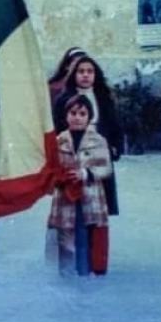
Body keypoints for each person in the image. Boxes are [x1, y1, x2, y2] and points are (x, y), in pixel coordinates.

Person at [47, 95, 112, 277]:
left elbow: (106, 168)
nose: (77, 117)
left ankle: (86, 272)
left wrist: (85, 173)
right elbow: (51, 167)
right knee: (65, 236)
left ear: (89, 117)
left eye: (82, 114)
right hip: (65, 197)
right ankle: (66, 275)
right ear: (66, 116)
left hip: (90, 197)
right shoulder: (58, 140)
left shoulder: (98, 141)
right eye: (73, 113)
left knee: (87, 236)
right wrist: (59, 177)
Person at [53, 55, 123, 216]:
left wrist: (115, 147)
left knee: (98, 199)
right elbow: (58, 127)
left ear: (95, 75)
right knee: (74, 201)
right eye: (81, 71)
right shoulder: (63, 99)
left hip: (99, 150)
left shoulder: (103, 97)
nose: (85, 75)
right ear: (74, 74)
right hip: (73, 150)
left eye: (90, 71)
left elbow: (114, 124)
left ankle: (95, 235)